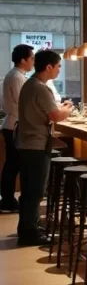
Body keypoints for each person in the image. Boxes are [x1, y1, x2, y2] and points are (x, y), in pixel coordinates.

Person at [16, 49, 72, 245]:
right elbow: (56, 115)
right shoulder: (40, 88)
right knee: (36, 190)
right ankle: (29, 232)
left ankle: (27, 227)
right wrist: (68, 108)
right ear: (49, 67)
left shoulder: (30, 84)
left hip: (27, 142)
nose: (59, 70)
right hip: (36, 144)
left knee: (29, 189)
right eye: (58, 66)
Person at [0, 44, 35, 213]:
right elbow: (25, 103)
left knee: (12, 164)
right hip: (15, 125)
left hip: (12, 124)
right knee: (13, 165)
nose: (33, 62)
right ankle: (7, 201)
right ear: (23, 60)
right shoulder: (17, 77)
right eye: (32, 58)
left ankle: (8, 199)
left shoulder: (15, 75)